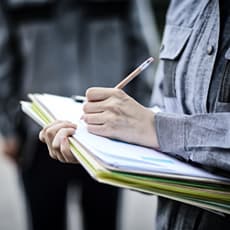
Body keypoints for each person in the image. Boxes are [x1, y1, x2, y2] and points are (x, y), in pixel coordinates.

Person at [39, 0, 230, 229]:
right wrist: (95, 150)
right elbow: (161, 116)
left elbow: (155, 125)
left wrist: (155, 128)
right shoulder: (183, 5)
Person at [0, 0, 155, 230]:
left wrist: (137, 123)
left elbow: (141, 48)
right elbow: (4, 56)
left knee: (103, 221)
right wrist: (8, 127)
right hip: (39, 134)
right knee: (44, 221)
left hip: (107, 137)